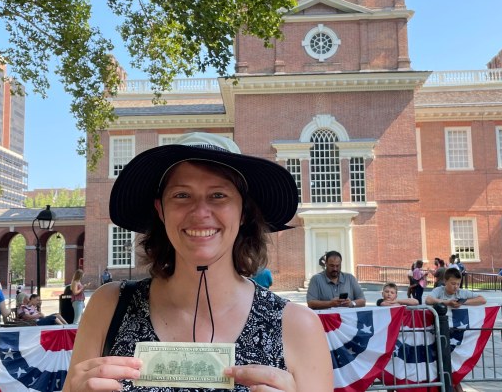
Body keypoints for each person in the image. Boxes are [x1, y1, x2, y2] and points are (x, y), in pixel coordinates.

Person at [65, 132, 331, 392]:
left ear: (243, 211)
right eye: (182, 195)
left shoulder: (297, 327)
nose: (200, 212)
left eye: (219, 195)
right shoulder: (109, 307)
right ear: (161, 210)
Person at [424, 267, 486, 392]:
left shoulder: (461, 293)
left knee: (453, 363)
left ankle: (455, 385)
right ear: (445, 281)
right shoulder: (439, 290)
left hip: (457, 334)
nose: (455, 287)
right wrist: (446, 302)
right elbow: (428, 300)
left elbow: (482, 299)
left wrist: (463, 303)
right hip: (440, 333)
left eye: (458, 284)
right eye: (452, 283)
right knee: (442, 362)